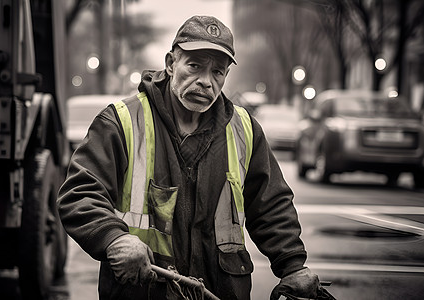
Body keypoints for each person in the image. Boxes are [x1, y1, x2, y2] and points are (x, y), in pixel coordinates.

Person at [57, 15, 323, 300]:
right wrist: (113, 238)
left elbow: (271, 205)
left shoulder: (244, 130)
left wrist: (293, 266)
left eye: (217, 72)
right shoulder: (121, 122)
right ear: (171, 64)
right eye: (194, 66)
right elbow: (80, 193)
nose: (206, 82)